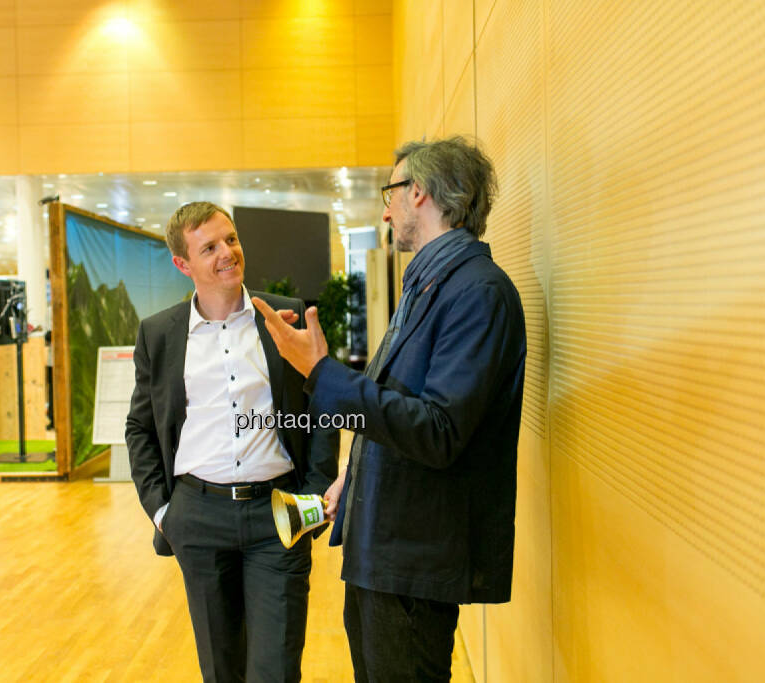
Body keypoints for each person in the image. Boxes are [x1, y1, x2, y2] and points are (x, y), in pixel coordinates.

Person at [252, 136, 527, 682]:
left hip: (414, 559)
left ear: (419, 192)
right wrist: (353, 475)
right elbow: (401, 407)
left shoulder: (477, 292)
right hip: (387, 550)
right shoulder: (430, 282)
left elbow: (438, 431)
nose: (385, 210)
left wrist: (320, 371)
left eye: (390, 194)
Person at [125, 201, 338, 683]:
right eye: (209, 248)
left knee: (276, 670)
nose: (227, 252)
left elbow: (324, 404)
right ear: (183, 264)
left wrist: (315, 494)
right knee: (221, 671)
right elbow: (140, 427)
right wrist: (163, 512)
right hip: (197, 518)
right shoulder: (158, 335)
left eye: (231, 239)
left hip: (279, 515)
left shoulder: (282, 316)